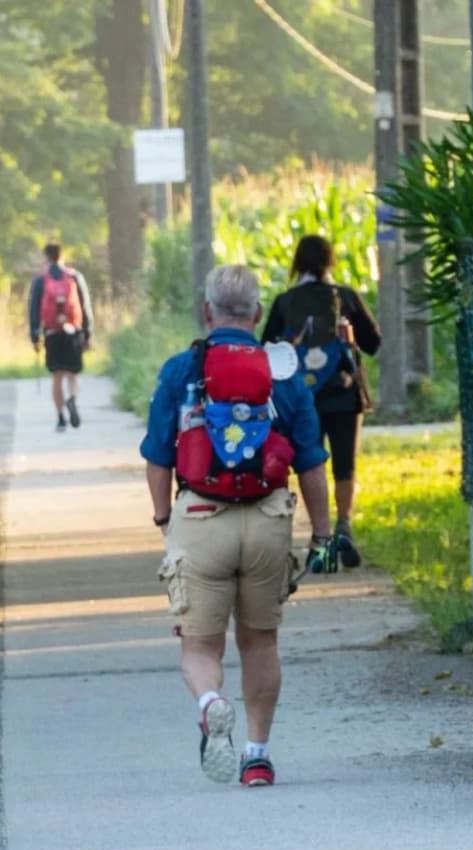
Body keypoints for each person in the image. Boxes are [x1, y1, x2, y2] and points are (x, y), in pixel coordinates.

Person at [141, 264, 336, 788]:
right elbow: (311, 460)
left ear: (207, 311)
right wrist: (323, 532)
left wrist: (166, 521)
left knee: (200, 648)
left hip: (202, 516)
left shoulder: (182, 370)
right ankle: (257, 755)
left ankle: (210, 704)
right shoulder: (284, 373)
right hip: (268, 518)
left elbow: (158, 457)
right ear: (255, 312)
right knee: (260, 642)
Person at [263, 234, 382, 568]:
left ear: (297, 263)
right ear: (330, 261)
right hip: (344, 394)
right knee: (345, 465)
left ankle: (321, 538)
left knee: (308, 464)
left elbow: (268, 351)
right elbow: (374, 343)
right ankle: (344, 523)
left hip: (302, 398)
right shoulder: (345, 297)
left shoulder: (286, 302)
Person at [28, 242, 95, 431]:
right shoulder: (74, 276)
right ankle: (72, 398)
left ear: (46, 257)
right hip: (73, 331)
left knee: (57, 376)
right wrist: (88, 333)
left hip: (52, 332)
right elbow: (85, 306)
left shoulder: (41, 280)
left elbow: (33, 310)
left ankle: (60, 417)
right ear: (62, 255)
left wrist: (35, 335)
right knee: (72, 374)